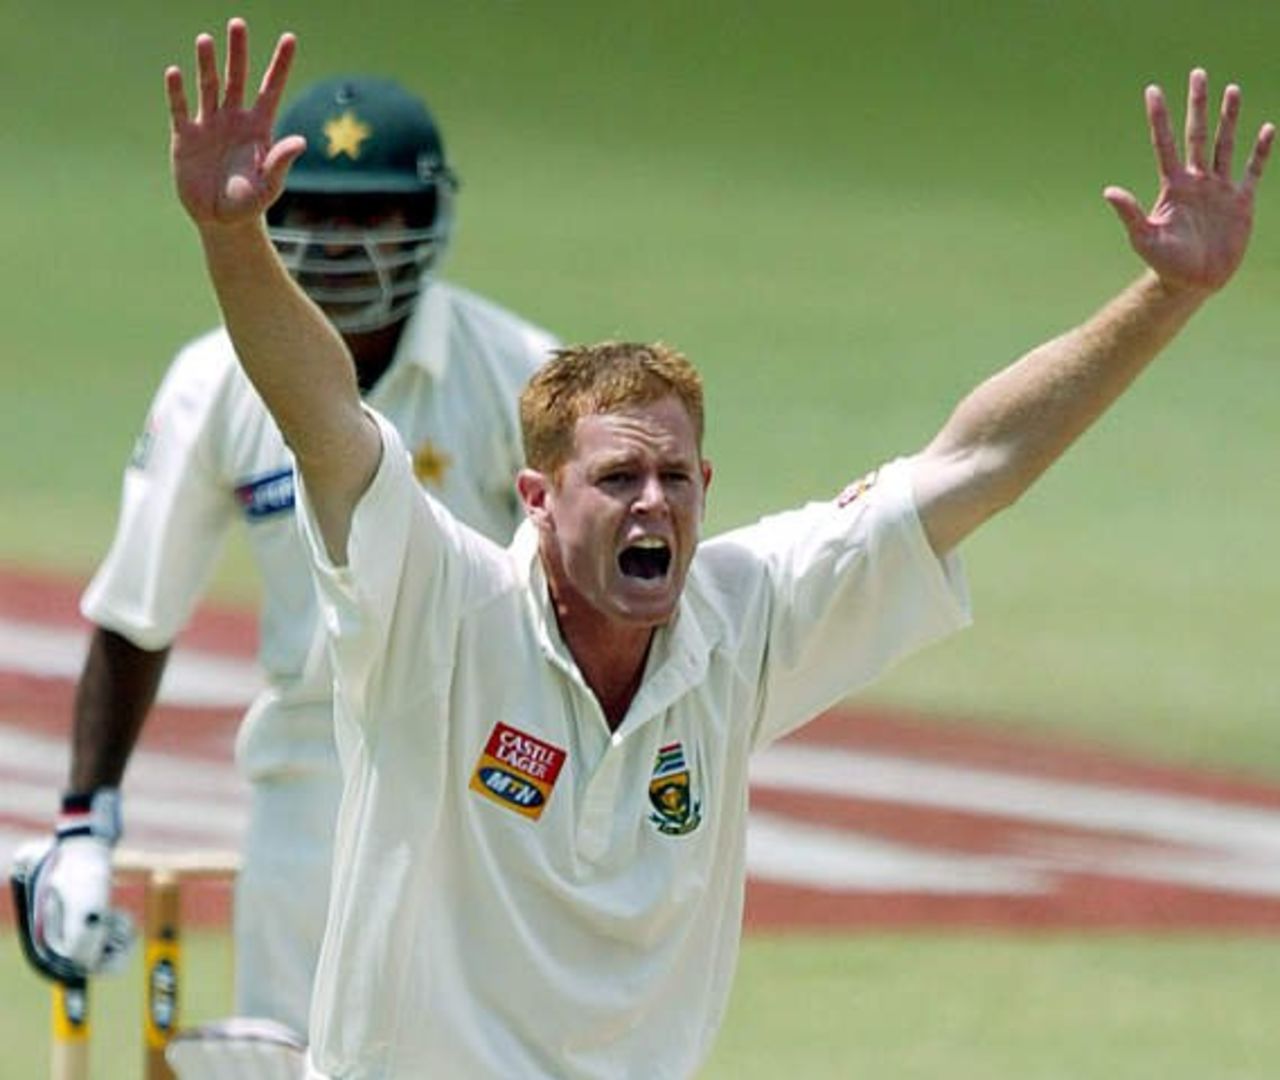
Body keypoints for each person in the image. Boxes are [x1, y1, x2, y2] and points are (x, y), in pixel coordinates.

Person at [74, 19, 1280, 1079]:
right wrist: (234, 240)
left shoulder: (742, 618)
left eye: (671, 478)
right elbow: (330, 427)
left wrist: (1163, 300)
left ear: (704, 488)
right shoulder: (435, 608)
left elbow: (971, 466)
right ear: (537, 498)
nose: (651, 504)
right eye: (615, 479)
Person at [11, 60, 558, 1038]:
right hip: (308, 784)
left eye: (370, 218)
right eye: (312, 211)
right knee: (294, 1055)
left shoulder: (521, 373)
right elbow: (140, 606)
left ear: (424, 219)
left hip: (486, 774)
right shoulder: (215, 380)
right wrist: (84, 825)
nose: (339, 247)